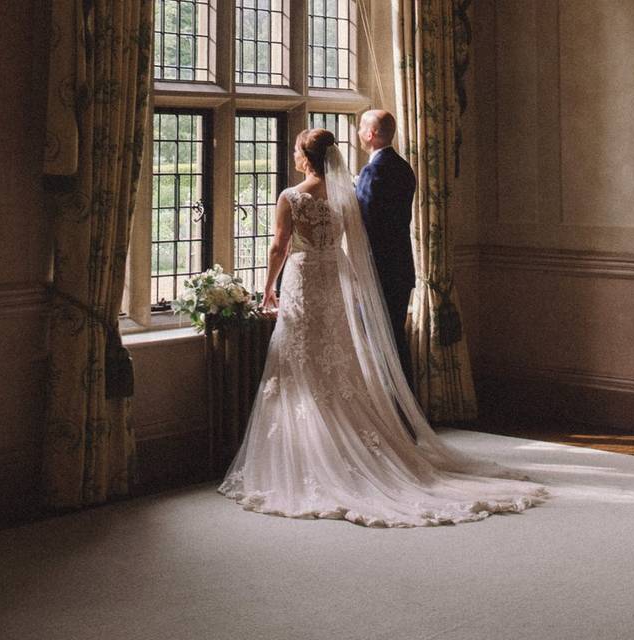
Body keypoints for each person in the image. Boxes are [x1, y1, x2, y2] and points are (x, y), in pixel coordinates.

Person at [218, 128, 546, 527]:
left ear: (305, 157)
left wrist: (268, 288)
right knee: (336, 358)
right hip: (333, 279)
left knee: (301, 361)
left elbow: (279, 246)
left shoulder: (291, 197)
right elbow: (357, 245)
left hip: (303, 280)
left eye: (296, 150)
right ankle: (343, 444)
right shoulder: (346, 197)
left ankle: (316, 455)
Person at [355, 110, 416, 386]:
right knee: (396, 340)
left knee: (379, 342)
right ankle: (407, 408)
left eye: (360, 128)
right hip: (401, 267)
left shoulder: (373, 171)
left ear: (370, 134)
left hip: (380, 269)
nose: (357, 133)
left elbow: (365, 220)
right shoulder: (404, 168)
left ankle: (391, 408)